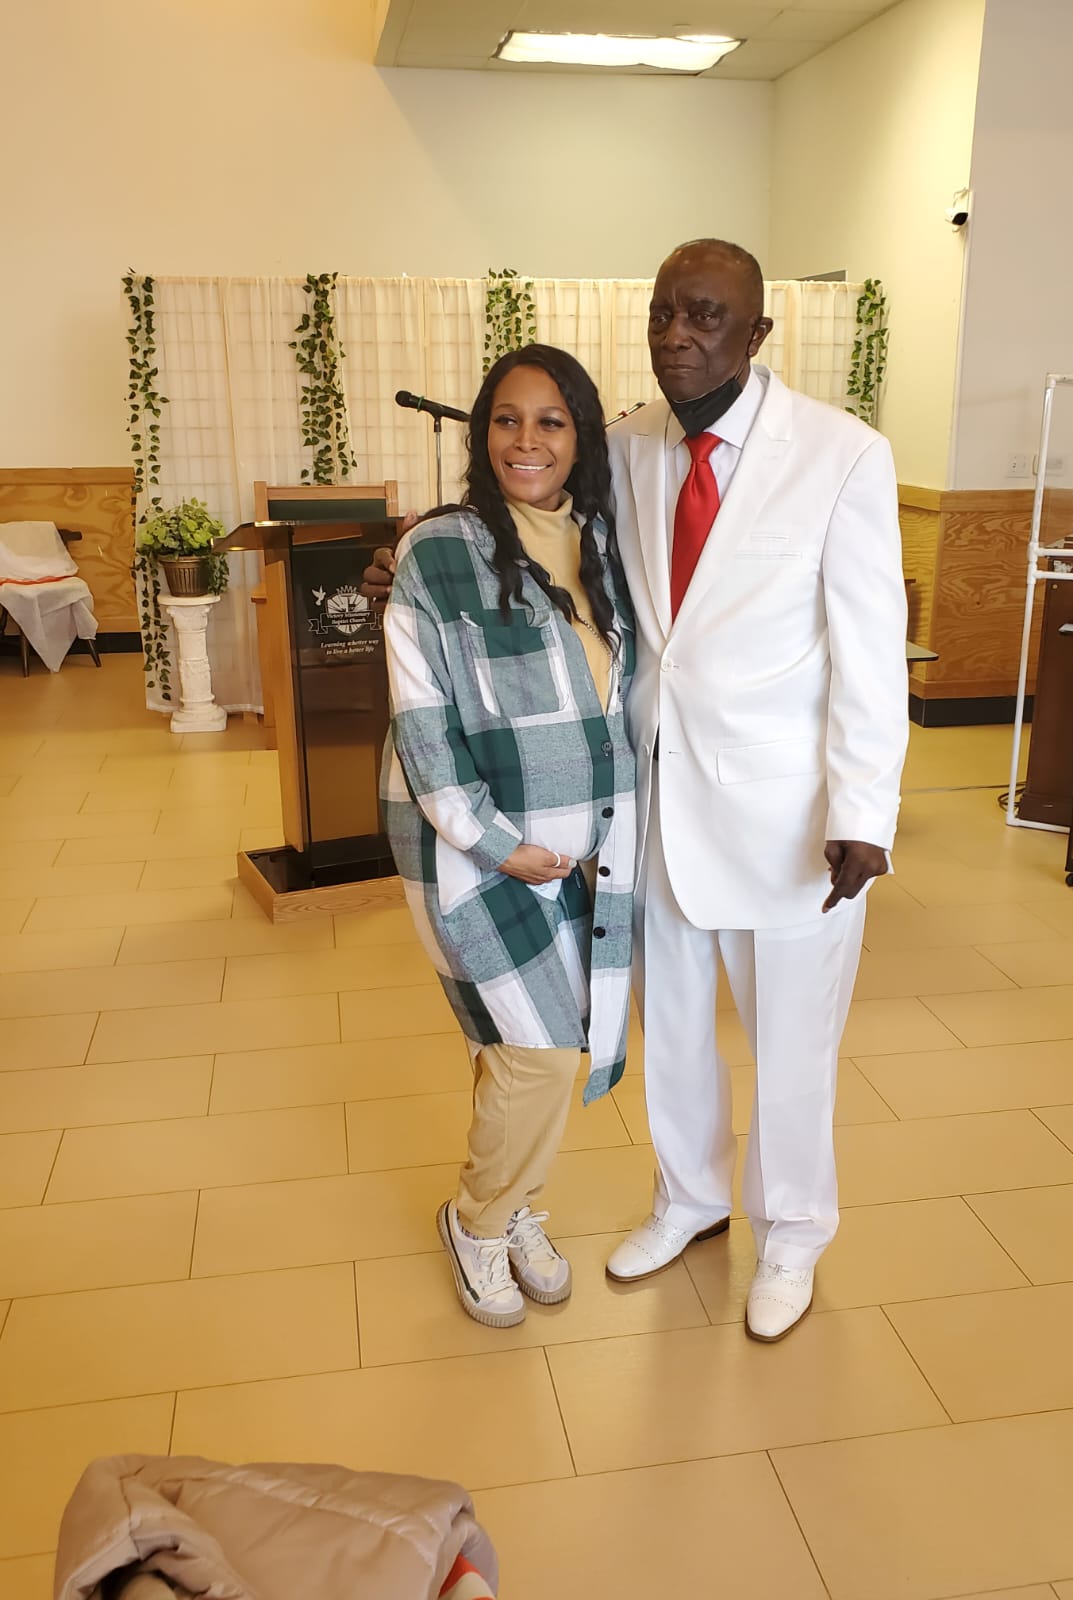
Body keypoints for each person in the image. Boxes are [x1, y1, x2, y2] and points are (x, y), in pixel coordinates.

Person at [365, 242, 908, 1343]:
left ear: (756, 335)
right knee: (671, 1026)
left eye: (706, 316)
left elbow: (871, 646)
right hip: (649, 803)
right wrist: (406, 553)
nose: (678, 334)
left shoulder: (842, 456)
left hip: (792, 817)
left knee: (792, 1038)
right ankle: (689, 1199)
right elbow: (524, 497)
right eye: (664, 313)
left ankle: (793, 1231)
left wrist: (864, 806)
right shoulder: (631, 443)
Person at [380, 344, 637, 1330]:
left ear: (581, 439)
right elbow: (422, 717)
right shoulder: (438, 551)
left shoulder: (603, 543)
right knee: (537, 1047)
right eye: (506, 420)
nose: (526, 441)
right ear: (482, 433)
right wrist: (488, 838)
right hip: (472, 847)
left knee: (531, 1042)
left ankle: (520, 1203)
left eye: (551, 422)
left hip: (589, 846)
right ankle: (478, 1222)